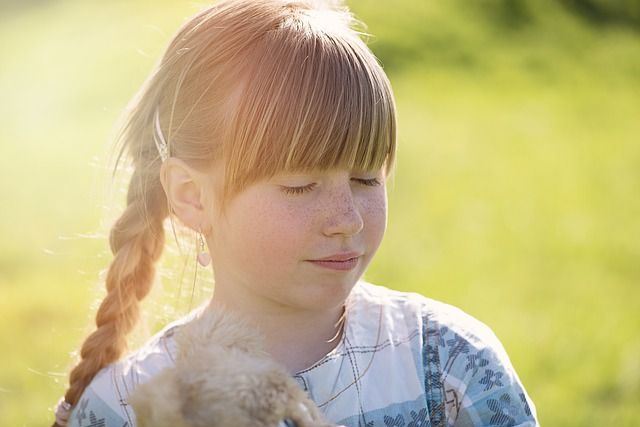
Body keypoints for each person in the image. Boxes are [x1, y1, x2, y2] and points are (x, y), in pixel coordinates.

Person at [52, 0, 539, 426]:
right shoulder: (126, 408)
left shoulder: (450, 364)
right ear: (192, 196)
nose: (347, 218)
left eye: (367, 178)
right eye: (300, 185)